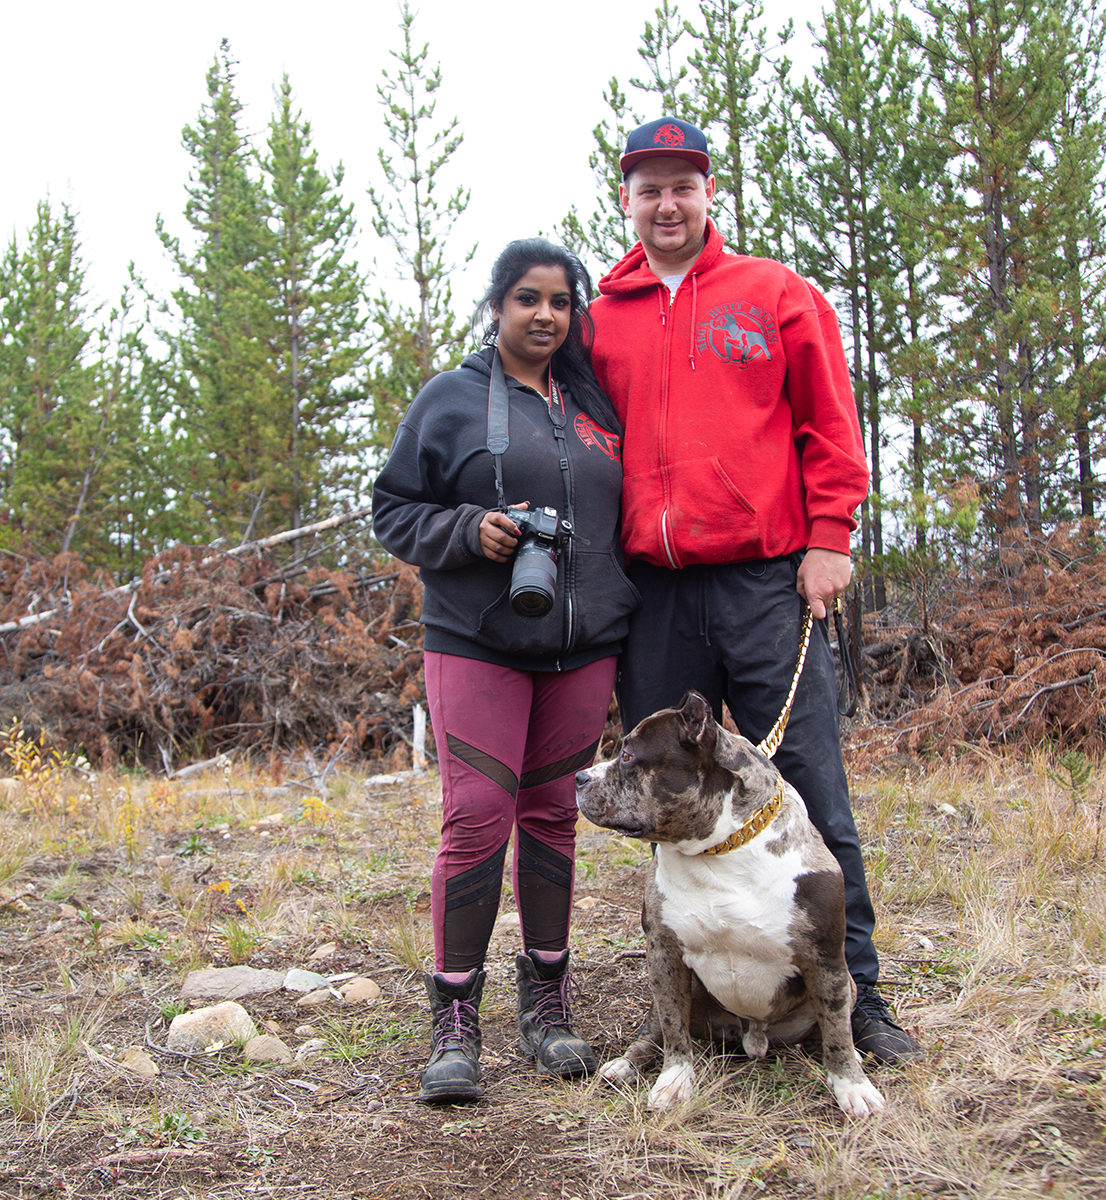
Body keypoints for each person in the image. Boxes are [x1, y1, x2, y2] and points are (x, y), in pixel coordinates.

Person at [589, 116, 921, 1065]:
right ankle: (686, 999)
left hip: (765, 583)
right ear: (627, 200)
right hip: (654, 594)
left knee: (810, 785)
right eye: (649, 189)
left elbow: (829, 424)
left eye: (683, 186)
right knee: (659, 794)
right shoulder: (600, 319)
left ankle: (855, 994)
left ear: (708, 194)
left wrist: (829, 538)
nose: (667, 204)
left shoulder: (774, 293)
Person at [373, 238, 640, 1103]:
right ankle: (455, 1021)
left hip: (583, 645)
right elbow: (392, 507)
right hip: (476, 639)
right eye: (528, 298)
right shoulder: (451, 399)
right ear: (497, 307)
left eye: (561, 301)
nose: (545, 315)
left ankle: (548, 1006)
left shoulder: (595, 403)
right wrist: (467, 531)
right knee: (478, 817)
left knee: (554, 816)